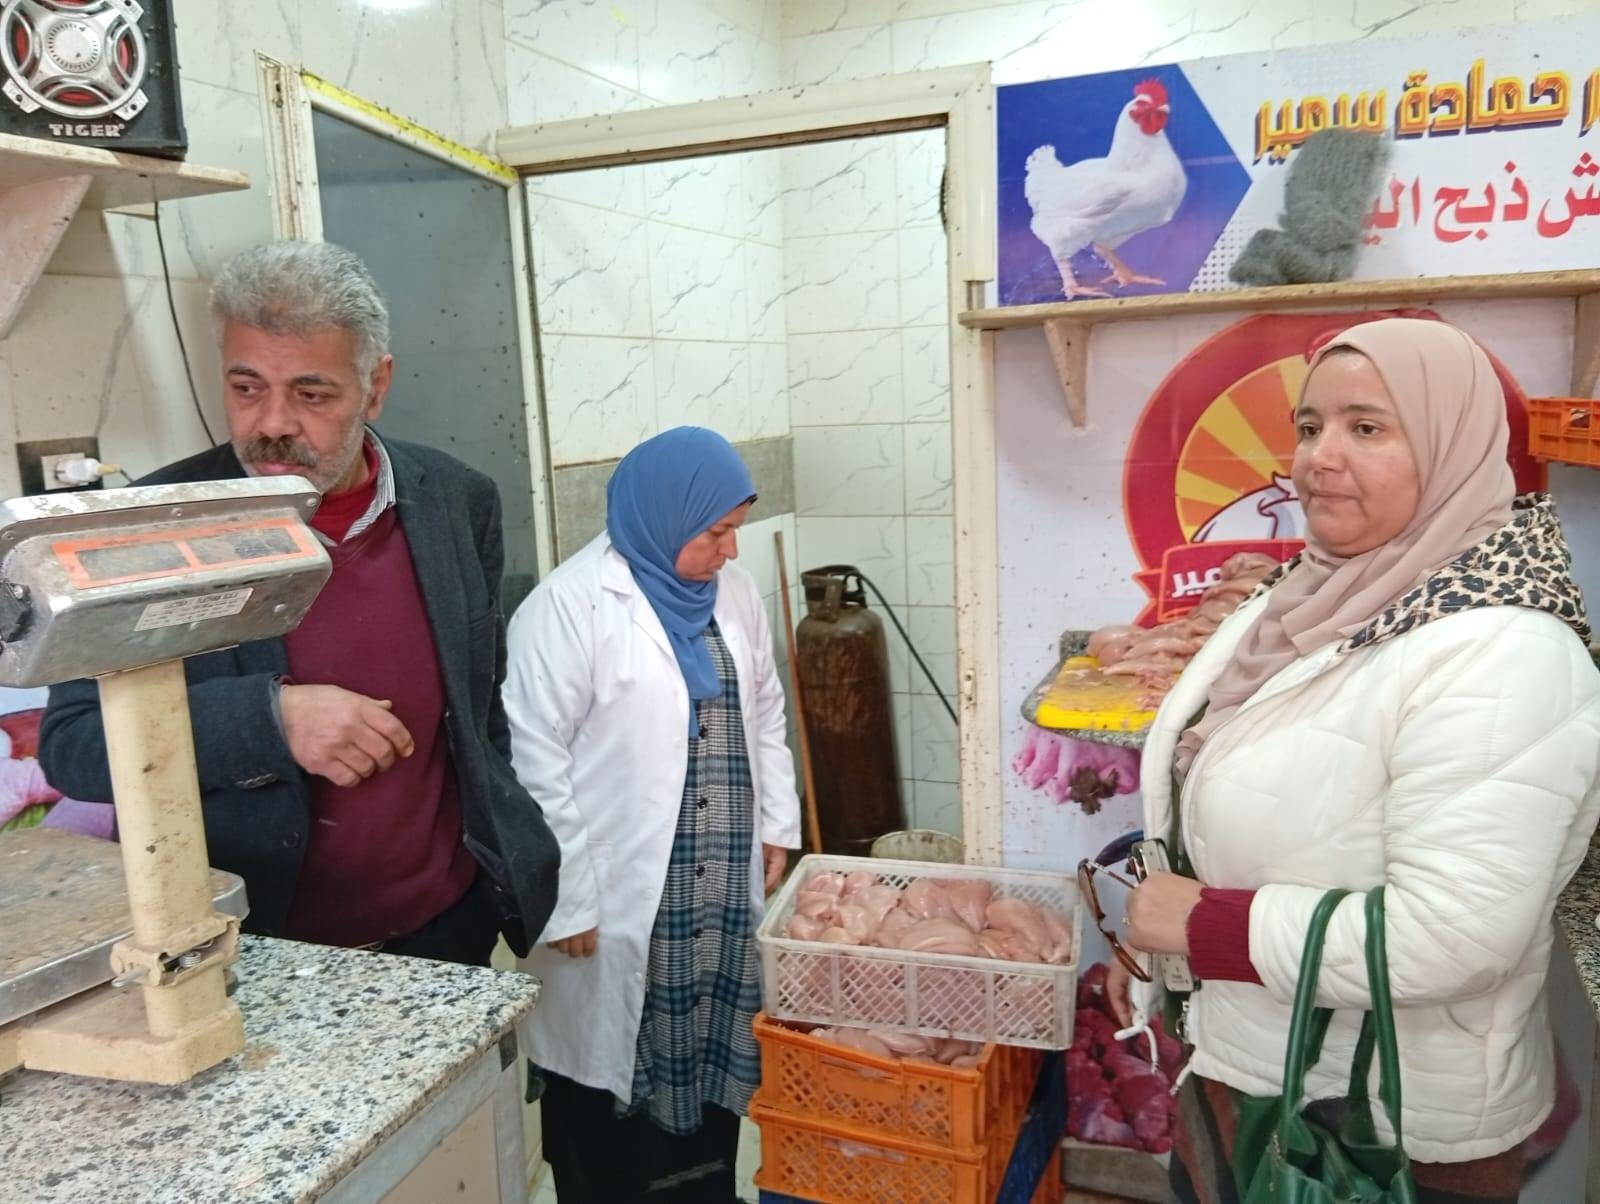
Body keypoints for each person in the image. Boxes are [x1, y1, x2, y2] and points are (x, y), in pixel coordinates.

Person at [1108, 318, 1600, 1203]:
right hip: (1246, 1069)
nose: (1317, 459)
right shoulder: (1309, 596)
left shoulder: (1503, 654)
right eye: (1309, 427)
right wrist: (1166, 948)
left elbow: (1453, 938)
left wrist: (1201, 928)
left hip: (1386, 1133)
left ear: (1450, 444)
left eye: (1367, 428)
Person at [39, 240, 559, 967]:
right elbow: (73, 746)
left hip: (446, 930)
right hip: (249, 952)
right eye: (246, 387)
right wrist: (269, 720)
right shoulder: (149, 525)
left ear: (375, 387)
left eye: (312, 395)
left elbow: (479, 707)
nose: (274, 423)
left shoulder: (454, 500)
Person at [503, 426, 801, 1204]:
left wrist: (778, 821)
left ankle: (703, 1189)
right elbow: (534, 763)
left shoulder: (732, 592)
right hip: (623, 896)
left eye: (735, 530)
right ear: (667, 516)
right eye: (716, 532)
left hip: (718, 883)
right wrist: (567, 898)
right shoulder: (565, 608)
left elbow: (765, 705)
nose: (731, 551)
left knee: (711, 1052)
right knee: (613, 1088)